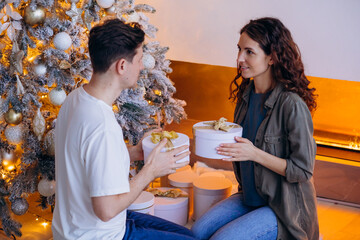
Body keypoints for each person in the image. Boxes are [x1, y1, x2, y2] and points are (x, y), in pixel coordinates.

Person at [52, 18, 196, 240]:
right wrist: (151, 170)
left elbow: (85, 159)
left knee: (188, 233)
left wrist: (134, 153)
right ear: (121, 66)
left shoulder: (74, 100)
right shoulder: (102, 126)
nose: (141, 66)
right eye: (139, 59)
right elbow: (107, 210)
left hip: (73, 230)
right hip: (100, 235)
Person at [192, 17, 319, 240]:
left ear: (272, 57)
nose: (240, 58)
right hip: (250, 197)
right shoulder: (246, 95)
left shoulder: (291, 105)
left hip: (283, 211)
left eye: (249, 52)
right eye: (239, 50)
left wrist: (254, 154)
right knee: (197, 232)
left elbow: (303, 170)